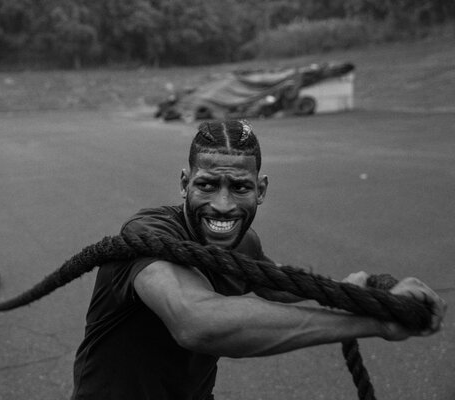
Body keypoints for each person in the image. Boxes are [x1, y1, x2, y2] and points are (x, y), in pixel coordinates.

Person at [70, 120, 446, 400]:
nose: (223, 204)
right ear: (185, 183)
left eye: (239, 187)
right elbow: (197, 322)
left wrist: (349, 292)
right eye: (206, 184)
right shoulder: (148, 233)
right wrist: (367, 321)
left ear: (260, 189)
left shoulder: (244, 242)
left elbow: (275, 284)